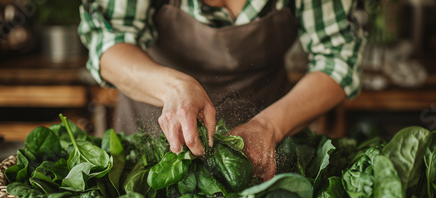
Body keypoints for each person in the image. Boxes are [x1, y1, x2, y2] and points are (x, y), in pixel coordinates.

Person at [79, 0, 365, 181]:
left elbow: (337, 60)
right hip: (149, 137)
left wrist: (268, 126)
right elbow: (108, 44)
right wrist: (173, 87)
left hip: (269, 137)